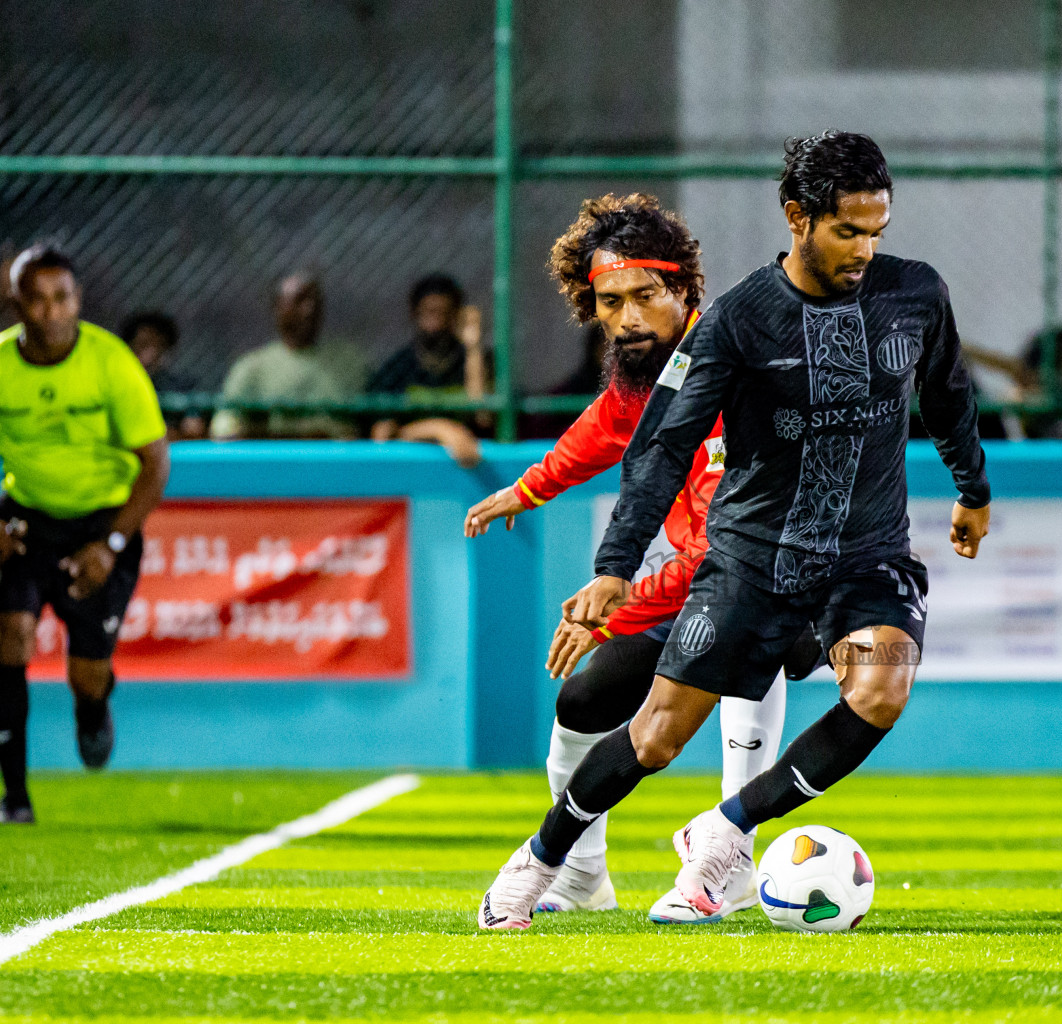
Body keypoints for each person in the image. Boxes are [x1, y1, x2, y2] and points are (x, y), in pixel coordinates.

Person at [477, 131, 992, 930]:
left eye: (876, 231)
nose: (864, 249)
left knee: (883, 687)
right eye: (847, 231)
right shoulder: (739, 319)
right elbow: (660, 445)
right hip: (751, 560)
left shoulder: (915, 294)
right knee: (654, 736)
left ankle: (726, 830)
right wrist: (616, 566)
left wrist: (972, 488)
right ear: (797, 216)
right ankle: (542, 858)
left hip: (867, 557)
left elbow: (949, 393)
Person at [463, 193, 815, 923]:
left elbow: (721, 548)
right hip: (704, 580)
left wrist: (618, 603)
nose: (626, 317)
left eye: (644, 296)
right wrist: (528, 489)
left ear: (685, 290)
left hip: (788, 576)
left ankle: (732, 855)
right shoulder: (645, 366)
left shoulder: (732, 369)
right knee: (582, 704)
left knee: (751, 636)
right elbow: (607, 427)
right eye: (609, 301)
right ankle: (581, 876)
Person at [0, 246, 170, 824]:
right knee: (11, 639)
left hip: (102, 524)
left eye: (61, 298)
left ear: (78, 301)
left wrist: (111, 544)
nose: (50, 311)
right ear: (15, 301)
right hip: (26, 519)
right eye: (36, 298)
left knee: (85, 674)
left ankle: (93, 710)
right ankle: (15, 798)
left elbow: (155, 465)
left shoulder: (111, 362)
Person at [209, 272, 368, 440]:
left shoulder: (349, 363)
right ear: (278, 307)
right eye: (299, 300)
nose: (309, 309)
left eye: (316, 302)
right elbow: (224, 430)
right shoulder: (252, 368)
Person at [368, 274, 485, 467]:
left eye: (444, 313)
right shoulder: (399, 368)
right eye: (429, 313)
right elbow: (382, 433)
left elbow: (484, 416)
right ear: (415, 314)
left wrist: (473, 347)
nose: (436, 323)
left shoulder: (473, 361)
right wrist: (441, 430)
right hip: (411, 472)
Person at [120, 310, 208, 440]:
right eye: (143, 345)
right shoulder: (116, 386)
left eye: (159, 346)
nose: (150, 356)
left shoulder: (182, 387)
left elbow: (195, 428)